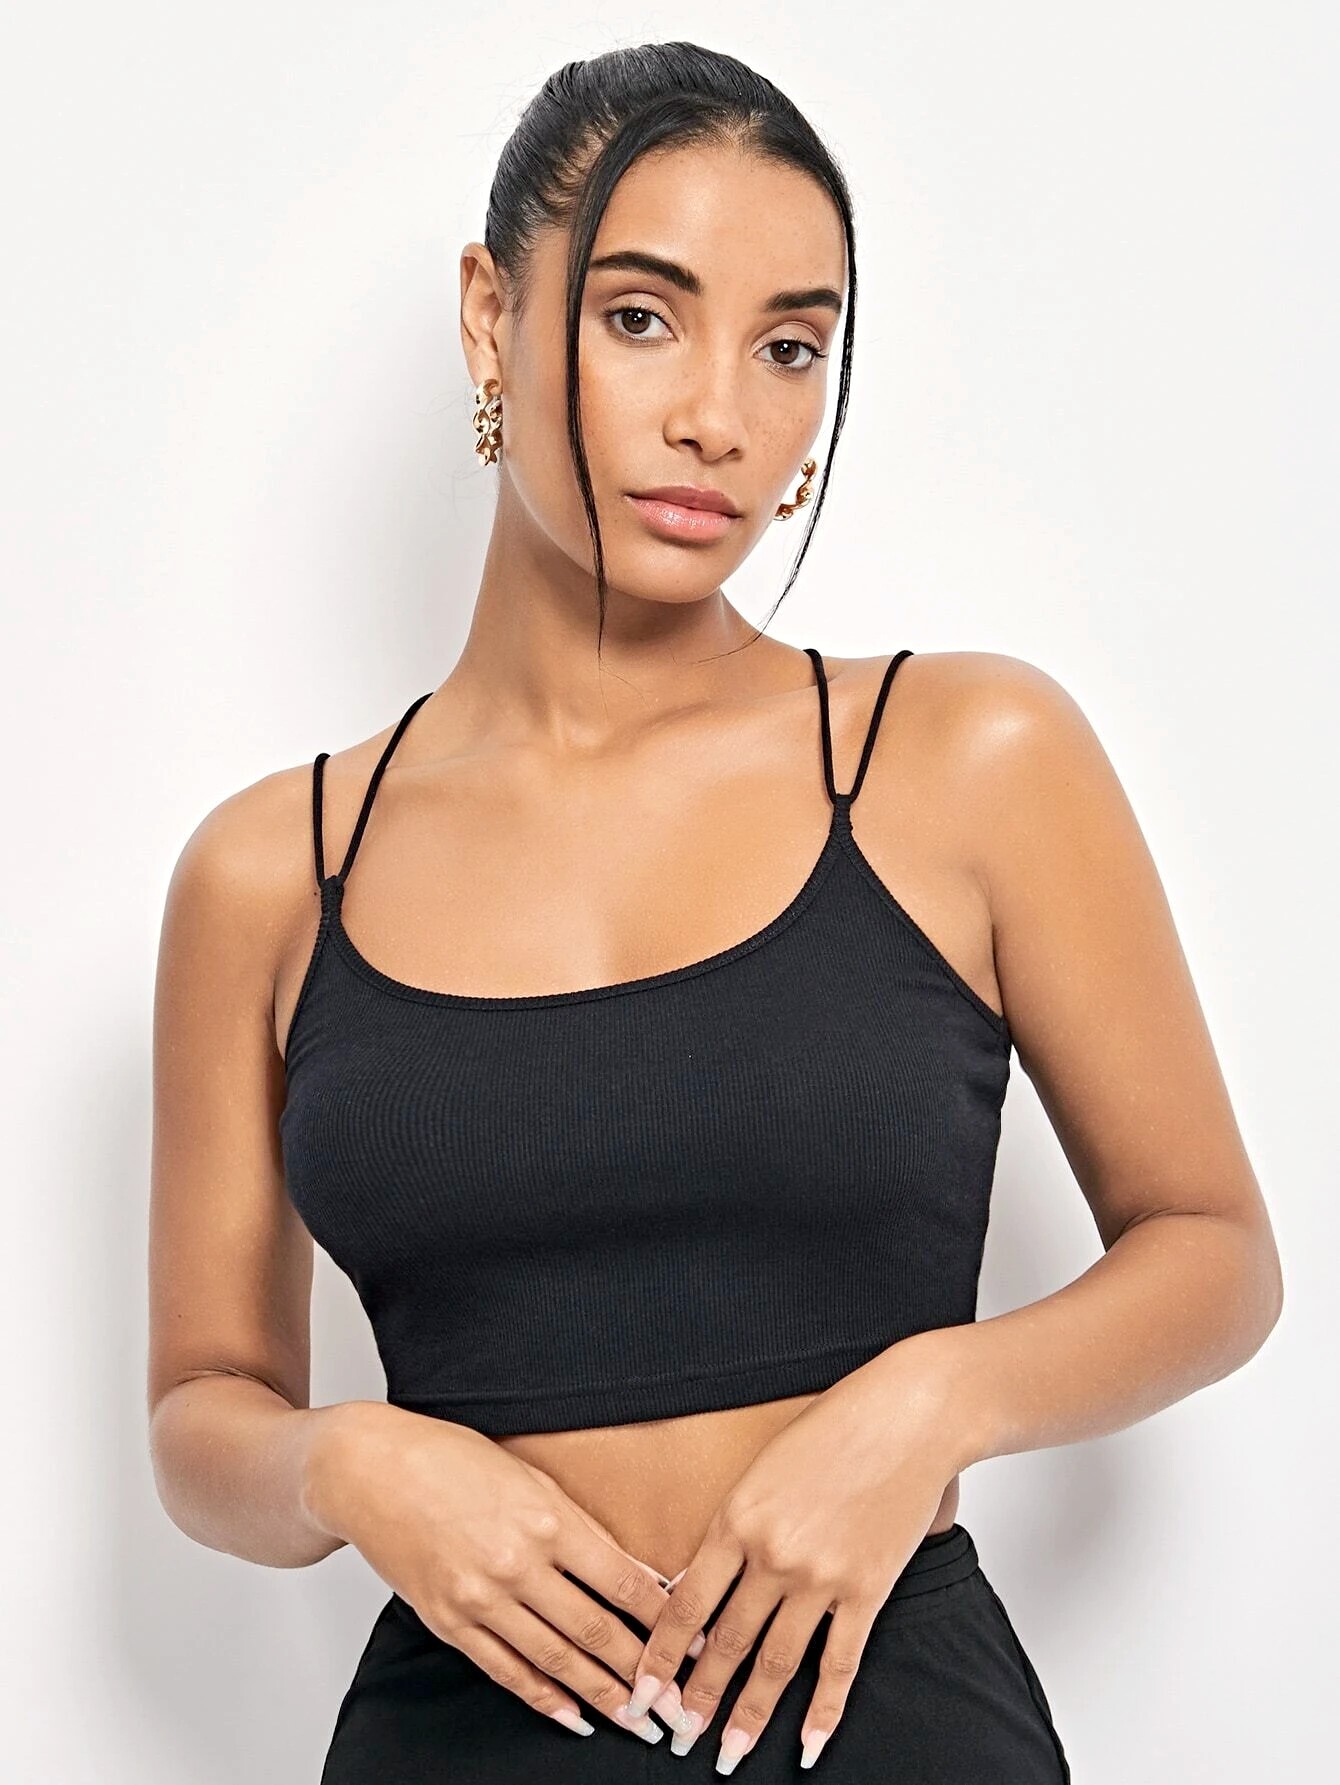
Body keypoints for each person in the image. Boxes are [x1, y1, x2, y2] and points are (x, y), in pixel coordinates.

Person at [146, 40, 1283, 1783]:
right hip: (462, 1740)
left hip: (888, 1724)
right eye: (641, 318)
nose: (720, 420)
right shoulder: (272, 871)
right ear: (490, 319)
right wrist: (346, 1460)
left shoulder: (968, 757)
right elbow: (199, 1408)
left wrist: (932, 1399)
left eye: (790, 346)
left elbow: (1213, 1252)